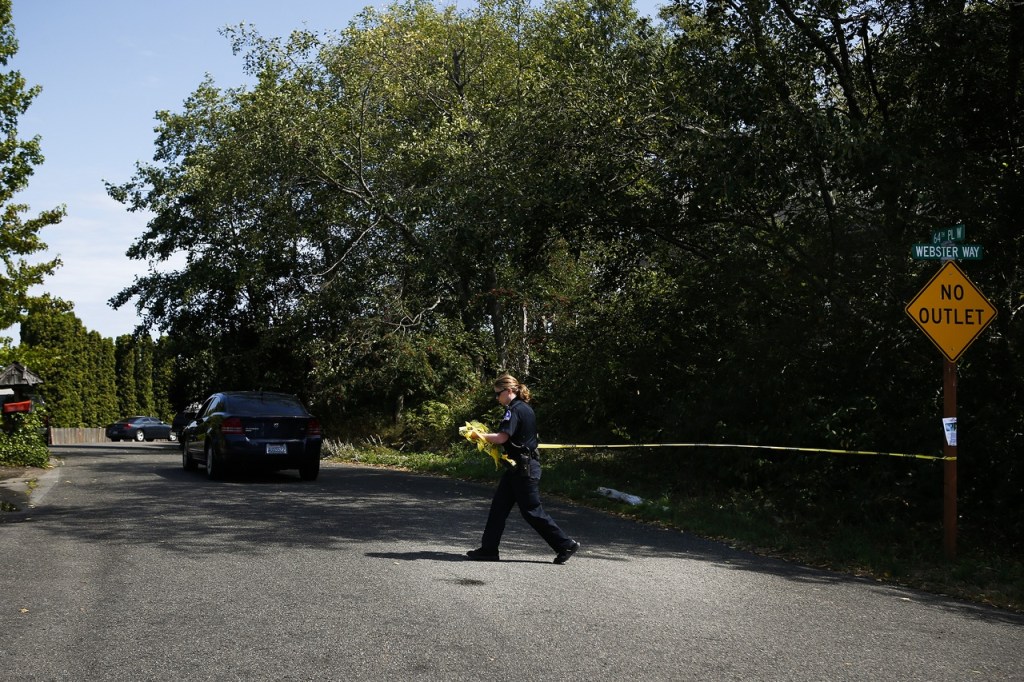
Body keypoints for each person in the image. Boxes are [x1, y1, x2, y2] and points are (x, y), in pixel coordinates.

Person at [466, 374, 580, 564]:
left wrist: (480, 436)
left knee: (532, 510)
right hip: (516, 467)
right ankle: (488, 550)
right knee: (498, 508)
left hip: (524, 469)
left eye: (498, 394)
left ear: (509, 391)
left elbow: (502, 437)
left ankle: (565, 544)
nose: (497, 398)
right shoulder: (524, 408)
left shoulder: (514, 410)